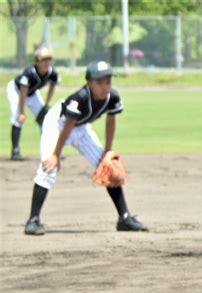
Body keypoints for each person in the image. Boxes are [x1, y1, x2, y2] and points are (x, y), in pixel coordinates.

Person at [24, 61, 148, 235]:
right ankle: (33, 220)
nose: (105, 86)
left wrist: (107, 151)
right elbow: (67, 127)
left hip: (81, 128)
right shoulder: (80, 97)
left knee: (107, 166)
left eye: (108, 81)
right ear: (89, 82)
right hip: (57, 125)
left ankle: (124, 217)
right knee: (48, 167)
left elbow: (110, 121)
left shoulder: (112, 97)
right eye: (100, 82)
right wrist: (56, 155)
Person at [6, 47, 60, 161]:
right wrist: (21, 112)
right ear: (36, 62)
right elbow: (22, 93)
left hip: (32, 93)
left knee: (46, 118)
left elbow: (52, 86)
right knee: (17, 119)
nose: (47, 63)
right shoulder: (29, 72)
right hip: (17, 91)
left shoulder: (52, 72)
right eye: (43, 60)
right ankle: (15, 151)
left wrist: (46, 104)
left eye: (48, 60)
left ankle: (49, 150)